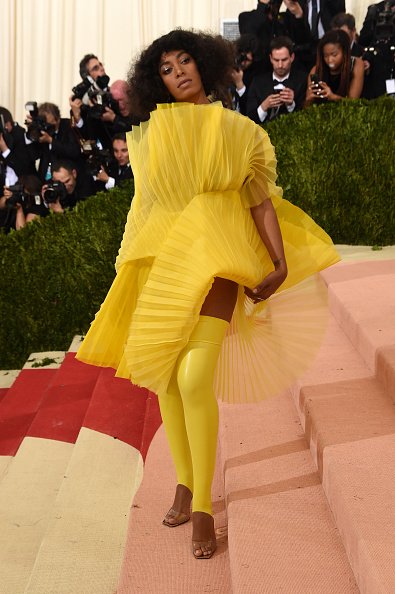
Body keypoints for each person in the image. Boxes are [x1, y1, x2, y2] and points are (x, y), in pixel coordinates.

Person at [76, 30, 340, 560]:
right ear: (159, 83)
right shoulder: (152, 134)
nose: (180, 72)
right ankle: (183, 478)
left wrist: (279, 260)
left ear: (206, 65)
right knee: (167, 377)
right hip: (167, 259)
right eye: (168, 69)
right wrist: (132, 262)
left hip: (220, 257)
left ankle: (201, 503)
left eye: (186, 61)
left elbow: (259, 200)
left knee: (195, 375)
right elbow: (146, 205)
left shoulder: (240, 129)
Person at [247, 36, 307, 123]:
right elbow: (249, 119)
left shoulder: (303, 80)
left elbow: (307, 117)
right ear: (271, 58)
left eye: (284, 60)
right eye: (276, 60)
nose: (280, 65)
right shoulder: (257, 82)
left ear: (292, 57)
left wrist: (291, 105)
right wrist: (263, 107)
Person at [304, 29, 364, 106]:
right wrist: (309, 100)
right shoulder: (316, 70)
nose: (330, 60)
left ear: (345, 52)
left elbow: (354, 103)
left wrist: (333, 97)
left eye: (334, 55)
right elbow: (306, 108)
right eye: (326, 56)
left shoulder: (356, 64)